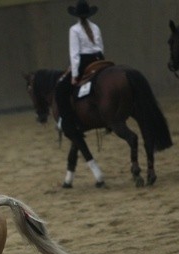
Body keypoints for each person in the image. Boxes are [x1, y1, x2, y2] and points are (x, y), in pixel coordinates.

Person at [54, 0, 105, 188]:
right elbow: (101, 48)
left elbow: (75, 55)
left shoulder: (74, 30)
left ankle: (69, 123)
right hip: (99, 60)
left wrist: (75, 76)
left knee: (60, 89)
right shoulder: (96, 27)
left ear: (76, 15)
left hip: (83, 63)